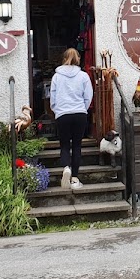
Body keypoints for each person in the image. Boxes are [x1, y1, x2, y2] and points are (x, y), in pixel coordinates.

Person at [50, 48, 93, 189]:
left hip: (63, 114)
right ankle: (74, 179)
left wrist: (57, 110)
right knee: (77, 145)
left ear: (64, 58)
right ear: (78, 59)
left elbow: (53, 97)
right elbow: (88, 96)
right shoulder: (83, 76)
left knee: (64, 145)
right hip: (79, 114)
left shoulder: (56, 77)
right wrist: (82, 109)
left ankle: (66, 167)